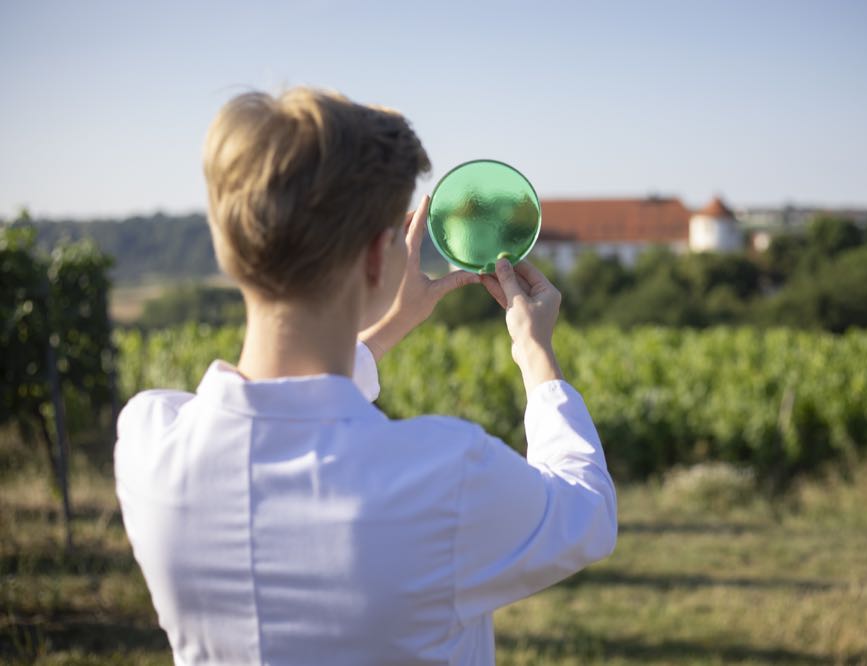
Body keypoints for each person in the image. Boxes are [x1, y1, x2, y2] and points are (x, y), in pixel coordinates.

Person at [115, 86, 617, 665]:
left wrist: (385, 330)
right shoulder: (444, 476)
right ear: (379, 257)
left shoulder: (149, 442)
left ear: (230, 246)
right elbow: (586, 513)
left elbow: (282, 413)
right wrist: (535, 352)